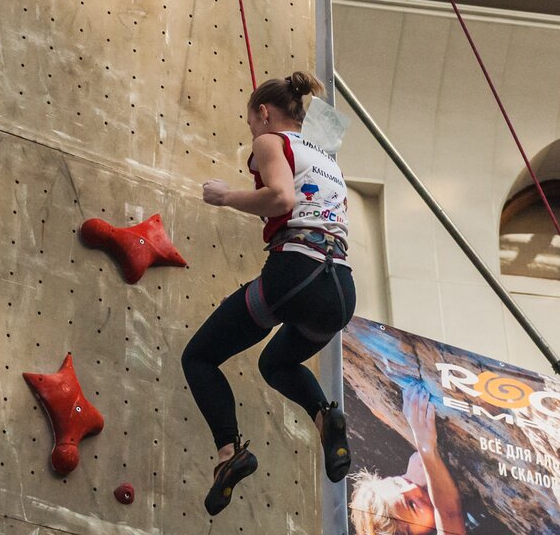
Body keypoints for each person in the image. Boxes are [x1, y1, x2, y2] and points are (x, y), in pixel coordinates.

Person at [181, 71, 357, 516]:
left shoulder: (269, 141)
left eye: (250, 123)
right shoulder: (329, 159)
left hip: (295, 274)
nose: (252, 133)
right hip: (340, 294)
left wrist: (226, 197)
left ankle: (229, 454)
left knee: (199, 357)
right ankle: (325, 418)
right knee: (275, 363)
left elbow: (280, 199)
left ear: (263, 113)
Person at [350, 384, 466, 535]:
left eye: (398, 483)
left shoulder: (413, 486)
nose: (413, 487)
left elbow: (418, 466)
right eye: (411, 505)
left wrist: (415, 470)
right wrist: (426, 448)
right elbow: (449, 513)